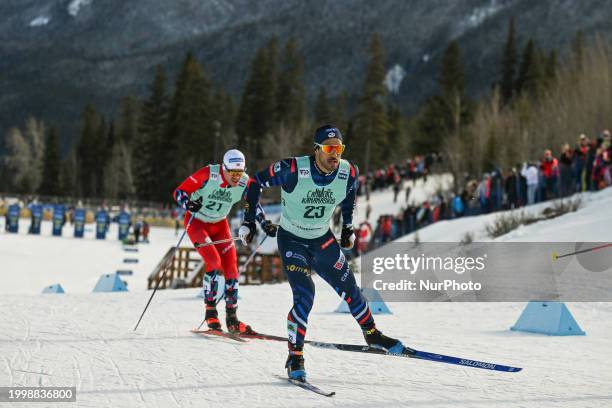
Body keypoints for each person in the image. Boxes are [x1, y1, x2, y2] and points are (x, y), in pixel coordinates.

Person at [242, 125, 405, 381]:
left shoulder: (347, 172)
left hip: (322, 239)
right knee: (306, 293)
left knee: (351, 289)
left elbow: (351, 194)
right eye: (329, 149)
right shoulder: (293, 169)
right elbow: (254, 182)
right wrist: (250, 221)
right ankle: (295, 356)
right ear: (316, 149)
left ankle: (372, 334)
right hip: (292, 240)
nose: (335, 155)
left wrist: (348, 226)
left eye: (339, 149)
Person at [173, 149, 275, 334]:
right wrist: (188, 203)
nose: (237, 177)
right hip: (197, 221)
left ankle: (232, 318)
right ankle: (210, 311)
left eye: (240, 172)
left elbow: (253, 205)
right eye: (232, 173)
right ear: (223, 168)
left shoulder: (244, 181)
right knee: (213, 261)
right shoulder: (208, 174)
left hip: (219, 224)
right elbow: (179, 192)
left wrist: (264, 223)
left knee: (231, 267)